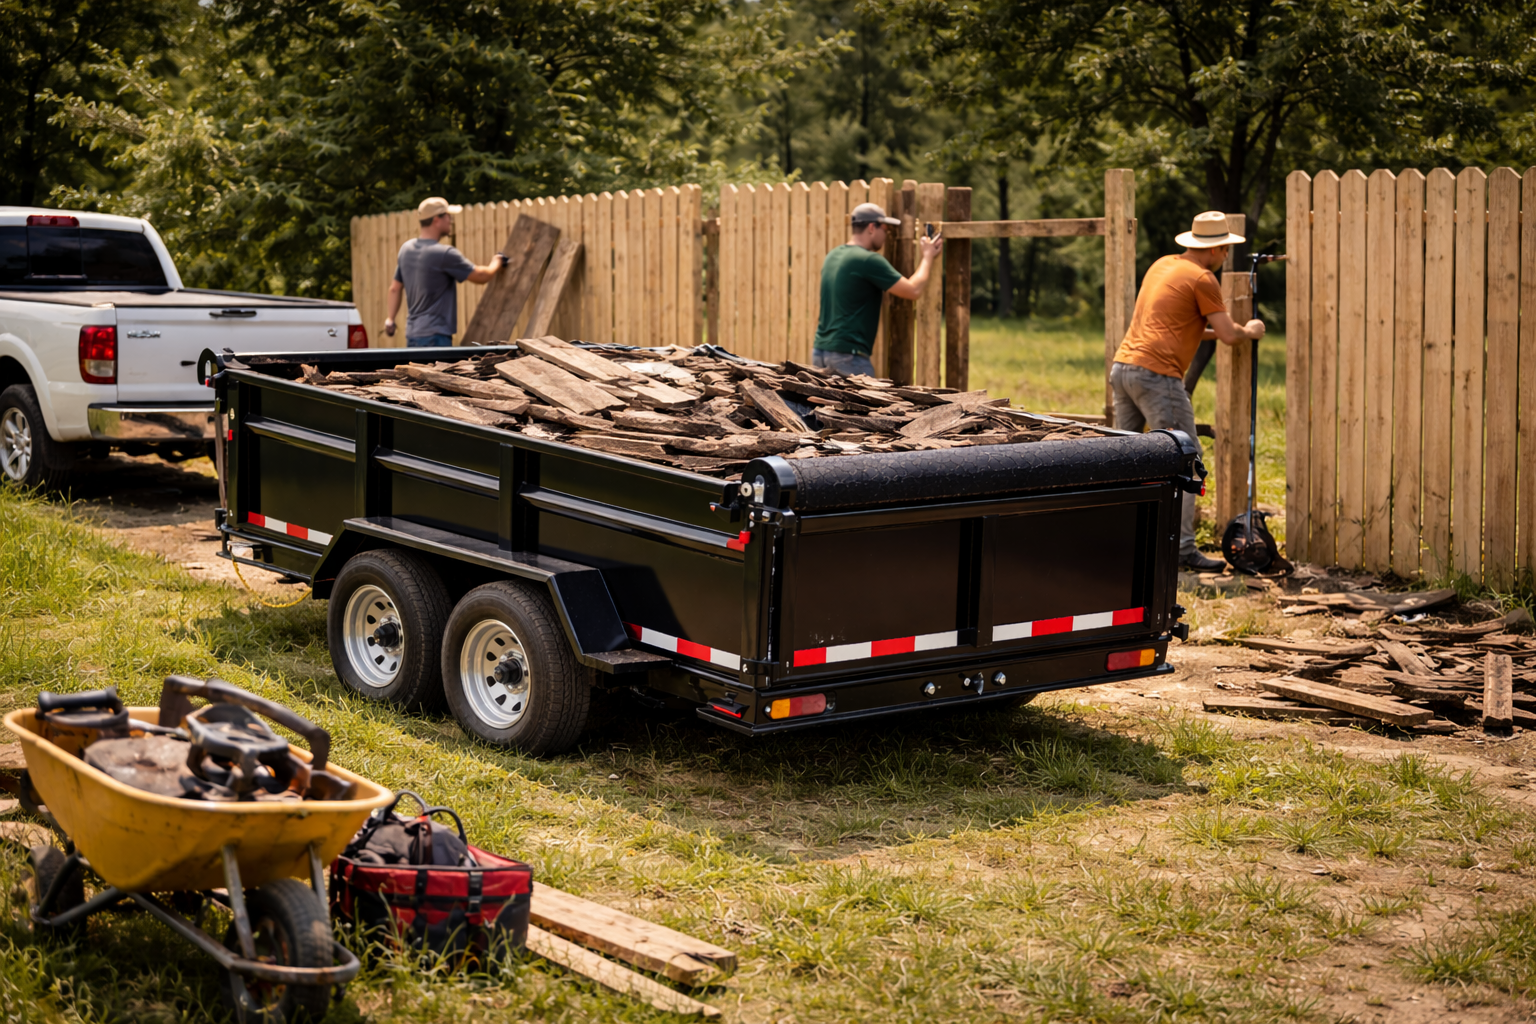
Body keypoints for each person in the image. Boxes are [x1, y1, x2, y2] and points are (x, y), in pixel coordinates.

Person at [1111, 210, 1267, 572]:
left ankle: (1122, 541)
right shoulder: (1203, 278)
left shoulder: (1164, 265)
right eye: (1226, 249)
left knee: (1124, 461)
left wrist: (1228, 328)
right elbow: (1229, 335)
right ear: (1213, 250)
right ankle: (1181, 551)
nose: (1227, 255)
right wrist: (1251, 330)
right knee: (1186, 462)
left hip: (1123, 369)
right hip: (1156, 375)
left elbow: (1182, 323)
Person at [811, 202, 943, 377]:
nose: (887, 235)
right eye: (885, 229)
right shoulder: (868, 260)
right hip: (848, 358)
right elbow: (913, 290)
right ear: (872, 227)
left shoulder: (833, 255)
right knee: (858, 405)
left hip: (820, 352)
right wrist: (927, 256)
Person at [385, 197, 505, 347]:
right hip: (435, 337)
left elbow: (395, 288)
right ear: (437, 220)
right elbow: (481, 276)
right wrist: (497, 261)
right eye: (448, 216)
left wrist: (390, 319)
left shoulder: (406, 249)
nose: (450, 220)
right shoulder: (443, 253)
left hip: (413, 335)